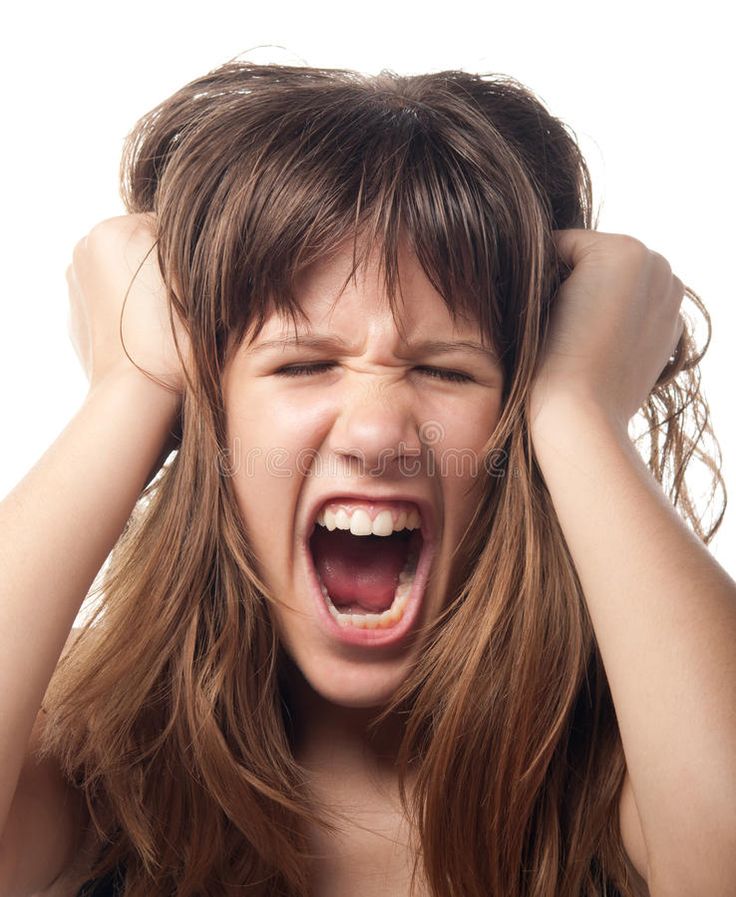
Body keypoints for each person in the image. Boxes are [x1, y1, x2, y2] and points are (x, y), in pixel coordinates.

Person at [0, 59, 734, 897]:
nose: (380, 433)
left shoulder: (631, 763)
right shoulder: (96, 770)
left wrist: (576, 412)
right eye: (305, 364)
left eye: (449, 371)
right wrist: (132, 390)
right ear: (208, 423)